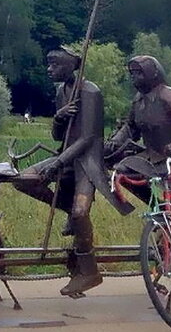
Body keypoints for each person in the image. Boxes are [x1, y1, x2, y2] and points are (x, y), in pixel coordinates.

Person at [14, 47, 135, 297]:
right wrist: (58, 118)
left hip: (87, 164)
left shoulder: (90, 91)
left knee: (81, 213)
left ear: (71, 66)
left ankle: (89, 271)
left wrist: (58, 164)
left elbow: (89, 137)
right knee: (24, 180)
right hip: (67, 157)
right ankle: (68, 208)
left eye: (55, 64)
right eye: (48, 64)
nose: (50, 69)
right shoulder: (62, 92)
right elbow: (61, 136)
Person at [105, 55, 171, 199]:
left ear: (153, 73)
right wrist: (114, 142)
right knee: (122, 171)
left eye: (139, 72)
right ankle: (157, 206)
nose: (134, 77)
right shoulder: (138, 100)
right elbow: (131, 127)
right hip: (153, 156)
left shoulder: (170, 97)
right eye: (132, 73)